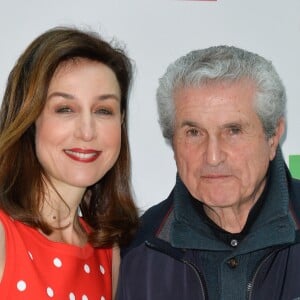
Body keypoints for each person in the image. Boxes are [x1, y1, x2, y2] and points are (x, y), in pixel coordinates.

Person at [116, 46, 300, 300]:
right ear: (173, 143)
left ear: (273, 137)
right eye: (194, 133)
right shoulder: (136, 251)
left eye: (233, 130)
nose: (213, 157)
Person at [0, 27, 139, 299]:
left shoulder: (108, 254)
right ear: (30, 120)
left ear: (121, 121)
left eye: (103, 111)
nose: (87, 132)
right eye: (65, 109)